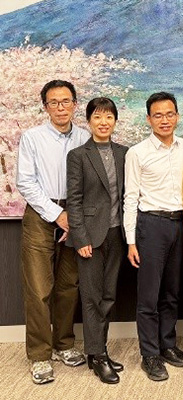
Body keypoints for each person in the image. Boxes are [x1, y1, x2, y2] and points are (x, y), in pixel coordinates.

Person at [16, 80, 88, 384]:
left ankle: (64, 344)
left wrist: (73, 216)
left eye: (66, 101)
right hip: (41, 214)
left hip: (75, 213)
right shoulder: (32, 137)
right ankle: (40, 355)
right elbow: (25, 181)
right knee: (38, 288)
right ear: (45, 107)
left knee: (69, 285)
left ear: (75, 104)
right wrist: (57, 214)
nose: (61, 107)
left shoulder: (85, 137)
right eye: (54, 102)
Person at [123, 92, 183, 381]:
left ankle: (167, 345)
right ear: (149, 119)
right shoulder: (137, 153)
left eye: (169, 114)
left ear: (177, 116)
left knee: (172, 292)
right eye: (158, 115)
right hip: (151, 225)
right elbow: (130, 198)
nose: (165, 120)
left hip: (181, 224)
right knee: (149, 296)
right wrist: (130, 241)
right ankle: (149, 354)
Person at [66, 97, 128, 384]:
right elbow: (74, 200)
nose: (104, 122)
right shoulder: (78, 155)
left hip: (117, 233)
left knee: (109, 296)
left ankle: (97, 351)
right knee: (92, 298)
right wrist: (80, 238)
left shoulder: (124, 153)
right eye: (98, 117)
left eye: (109, 117)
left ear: (115, 120)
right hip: (90, 236)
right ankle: (98, 355)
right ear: (88, 121)